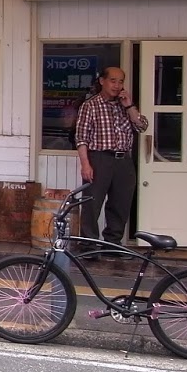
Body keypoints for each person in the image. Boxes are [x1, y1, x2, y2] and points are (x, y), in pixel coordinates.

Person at [74, 66, 149, 252]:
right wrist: (85, 164)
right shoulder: (90, 105)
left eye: (121, 81)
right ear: (102, 81)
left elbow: (142, 126)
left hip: (123, 160)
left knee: (120, 203)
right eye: (113, 81)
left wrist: (129, 106)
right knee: (92, 203)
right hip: (99, 158)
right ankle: (88, 244)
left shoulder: (125, 106)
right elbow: (81, 138)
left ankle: (113, 244)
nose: (117, 85)